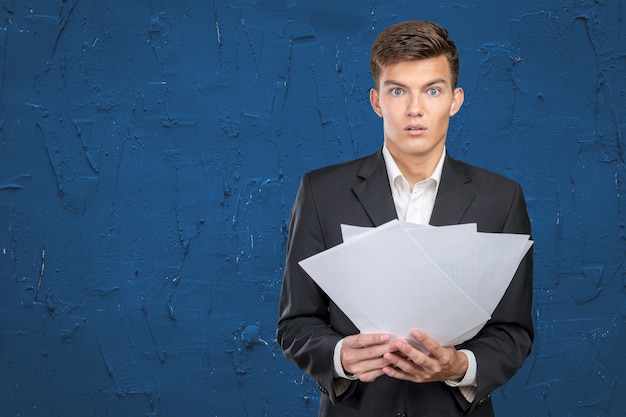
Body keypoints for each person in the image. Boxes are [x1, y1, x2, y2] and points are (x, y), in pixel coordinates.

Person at [276, 20, 533, 417]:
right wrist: (341, 356)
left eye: (433, 90)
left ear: (455, 99)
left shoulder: (501, 199)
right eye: (398, 91)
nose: (415, 109)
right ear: (377, 101)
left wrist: (461, 366)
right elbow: (295, 323)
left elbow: (513, 331)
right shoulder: (321, 192)